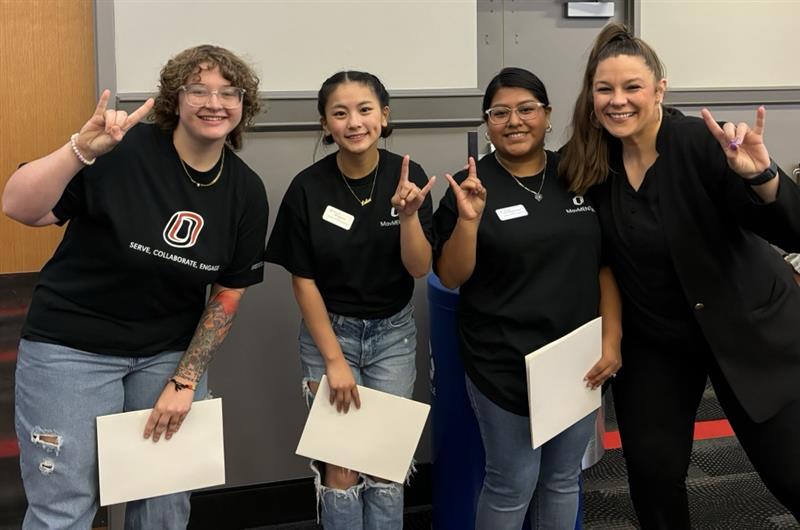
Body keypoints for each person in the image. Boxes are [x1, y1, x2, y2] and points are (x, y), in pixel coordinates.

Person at [3, 44, 268, 529]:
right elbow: (19, 207)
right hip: (71, 347)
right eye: (199, 90)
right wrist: (80, 151)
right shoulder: (120, 149)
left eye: (229, 92)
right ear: (175, 99)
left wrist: (185, 381)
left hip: (166, 352)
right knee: (64, 505)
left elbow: (228, 294)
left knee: (164, 505)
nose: (215, 103)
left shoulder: (246, 191)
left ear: (244, 104)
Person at [559, 22, 800, 529]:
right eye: (605, 89)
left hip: (746, 329)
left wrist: (762, 176)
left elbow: (788, 227)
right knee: (651, 471)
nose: (617, 101)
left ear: (659, 90)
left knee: (789, 472)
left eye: (632, 88)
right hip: (658, 341)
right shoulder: (593, 160)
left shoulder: (698, 142)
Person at [433, 67, 622, 530]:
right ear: (487, 122)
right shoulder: (469, 186)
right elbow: (452, 274)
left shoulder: (580, 174)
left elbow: (605, 266)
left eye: (526, 109)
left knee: (561, 480)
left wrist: (611, 341)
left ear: (547, 114)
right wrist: (469, 222)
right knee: (511, 481)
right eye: (500, 112)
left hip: (577, 361)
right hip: (501, 361)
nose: (514, 121)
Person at [264, 71, 434, 530]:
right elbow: (303, 282)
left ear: (384, 116)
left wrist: (410, 217)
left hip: (393, 335)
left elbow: (419, 268)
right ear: (326, 124)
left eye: (364, 110)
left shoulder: (408, 176)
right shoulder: (307, 187)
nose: (354, 122)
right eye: (340, 113)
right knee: (340, 467)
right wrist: (334, 360)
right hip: (329, 335)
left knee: (383, 462)